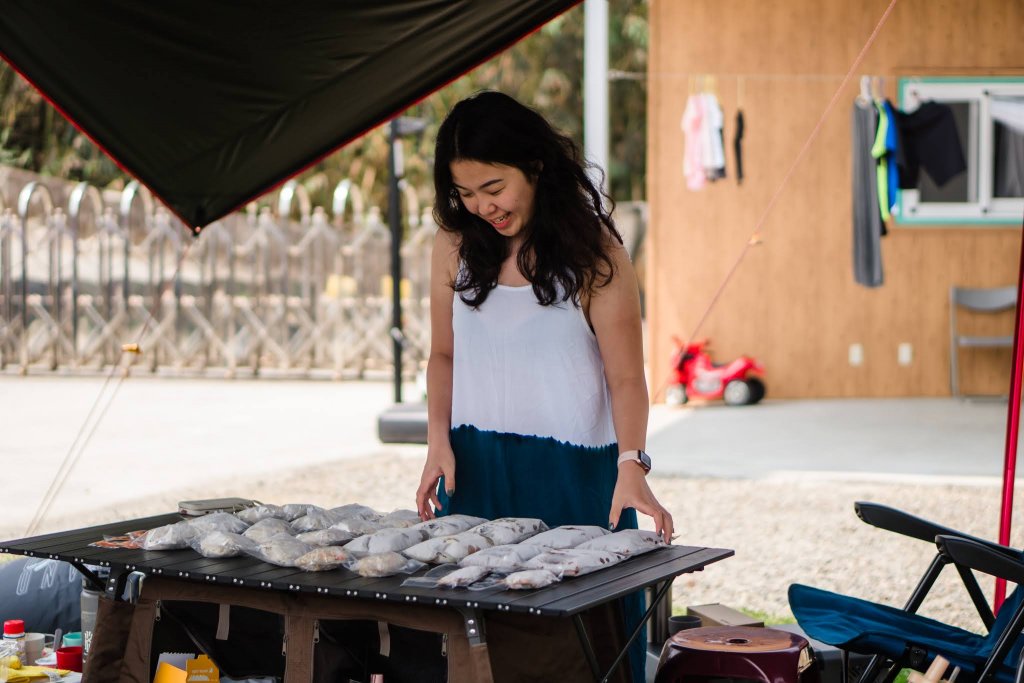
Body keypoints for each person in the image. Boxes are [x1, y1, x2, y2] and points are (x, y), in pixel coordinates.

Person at [415, 90, 674, 683]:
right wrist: (437, 442)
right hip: (476, 469)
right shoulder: (452, 246)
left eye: (494, 188)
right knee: (480, 646)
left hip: (575, 475)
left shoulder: (595, 253)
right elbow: (442, 355)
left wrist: (632, 464)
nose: (483, 207)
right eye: (466, 193)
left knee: (578, 648)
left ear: (534, 166)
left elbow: (627, 376)